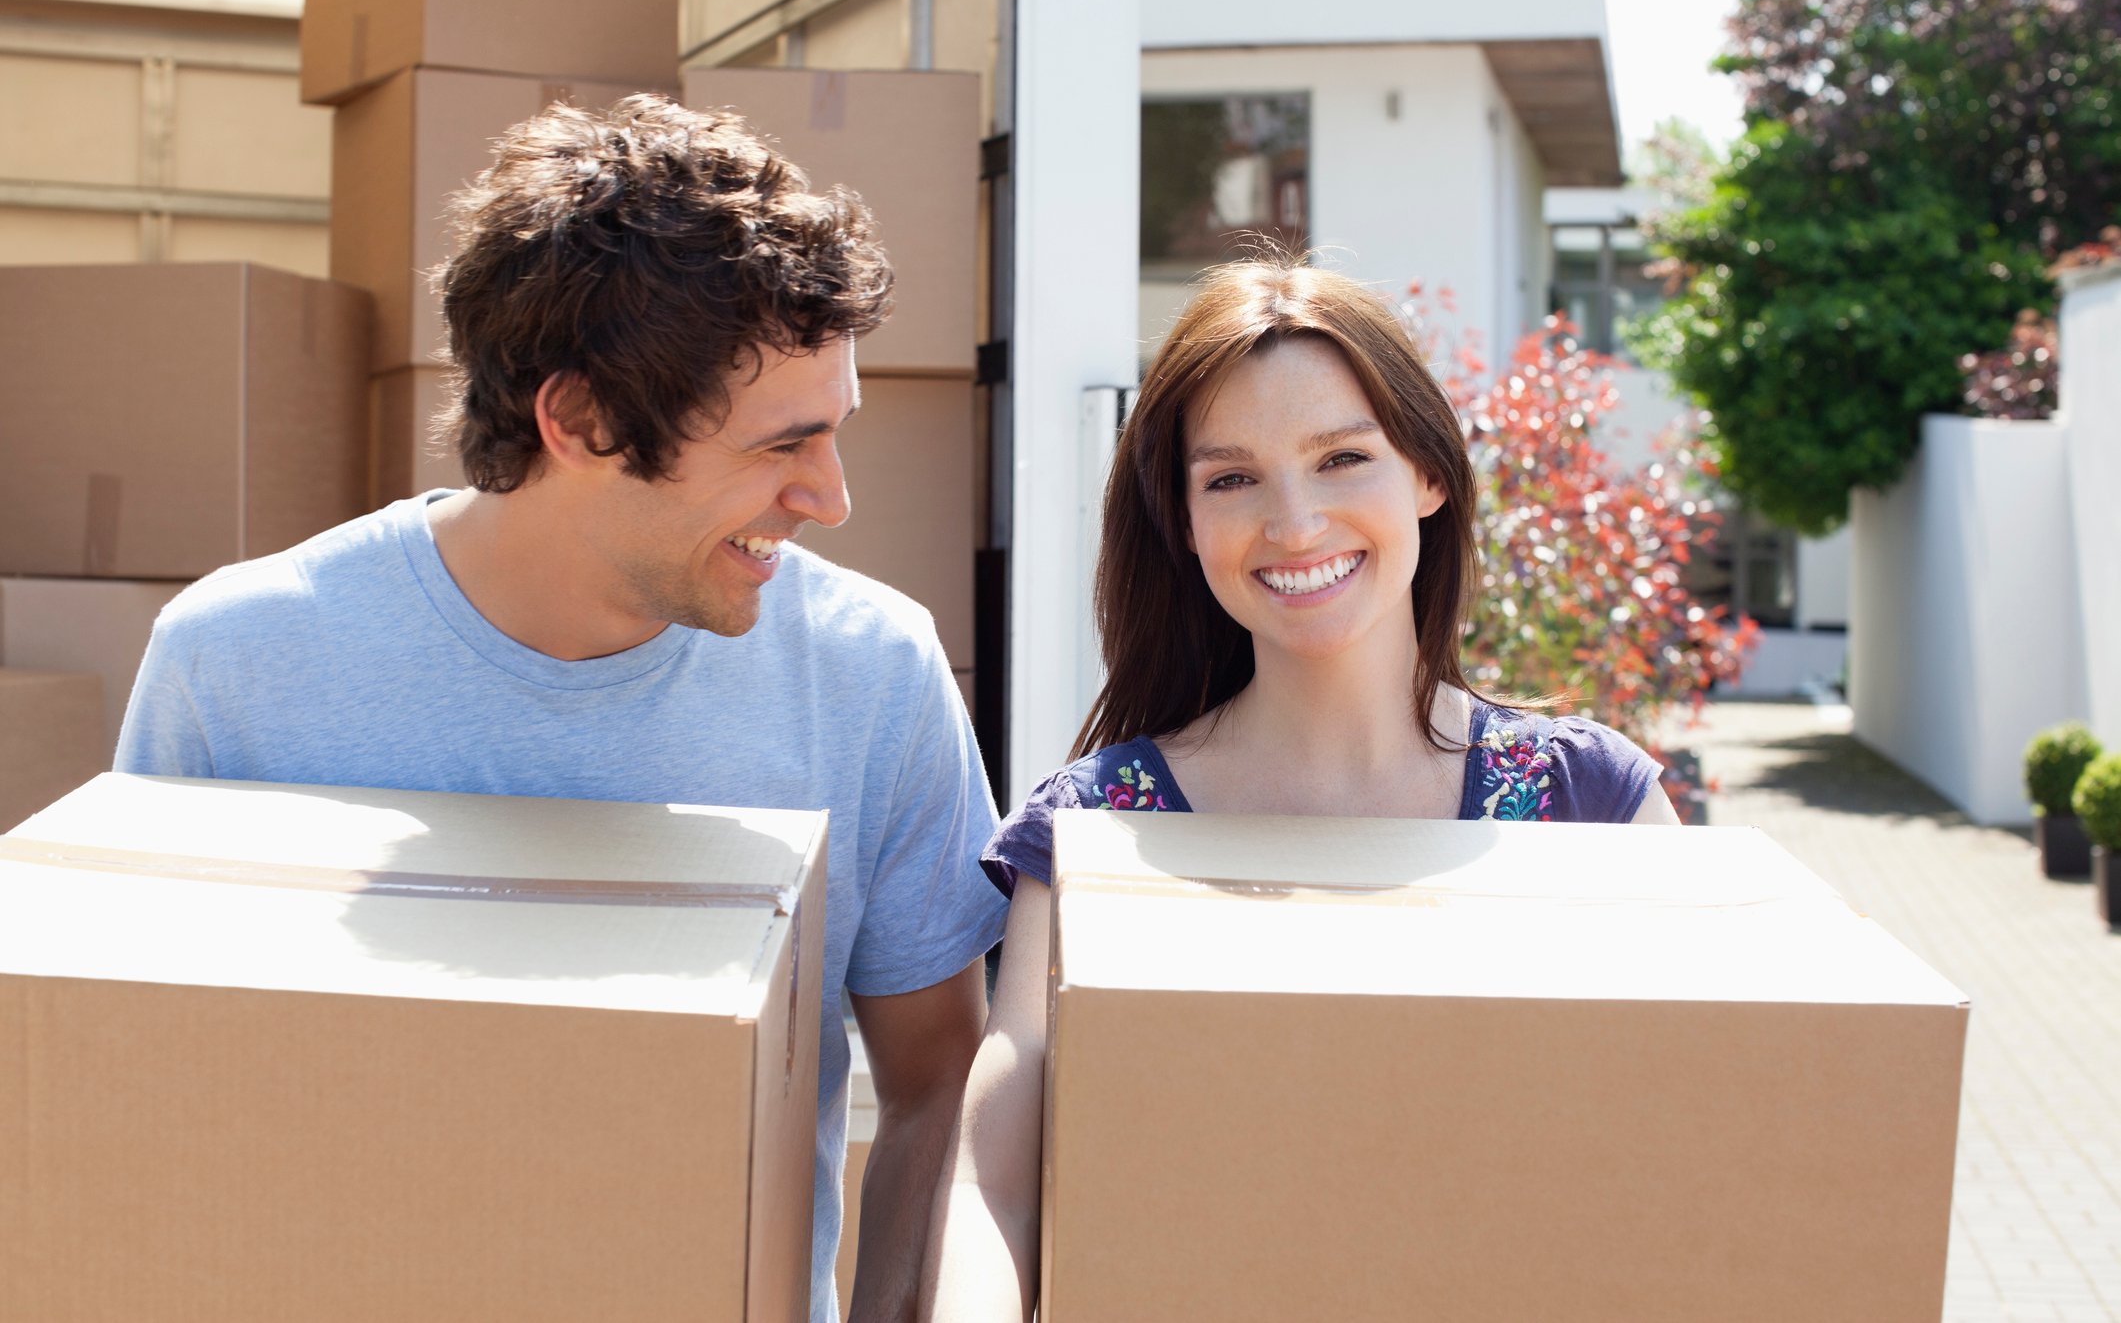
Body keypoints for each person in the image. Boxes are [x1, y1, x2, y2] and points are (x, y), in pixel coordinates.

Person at [117, 96, 1008, 1323]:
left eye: (837, 430)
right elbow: (137, 1086)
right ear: (582, 419)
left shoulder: (871, 674)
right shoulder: (240, 668)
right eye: (781, 444)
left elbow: (938, 1081)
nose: (831, 497)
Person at [919, 258, 1680, 1320]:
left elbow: (1697, 1143)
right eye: (1231, 478)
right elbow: (991, 1182)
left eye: (1341, 459)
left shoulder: (1595, 806)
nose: (1294, 522)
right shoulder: (1096, 829)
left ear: (1428, 474)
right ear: (1183, 523)